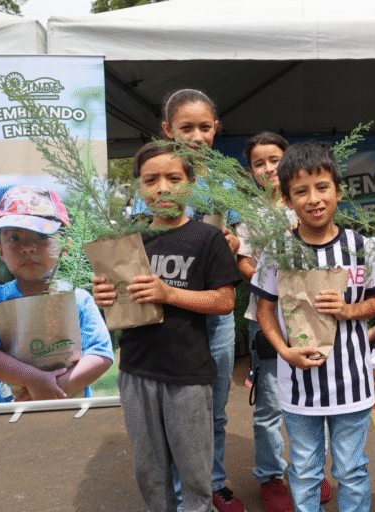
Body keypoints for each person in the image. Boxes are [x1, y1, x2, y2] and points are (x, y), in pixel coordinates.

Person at [92, 142, 243, 511]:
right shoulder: (128, 242)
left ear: (190, 183)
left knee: (194, 472)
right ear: (139, 189)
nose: (162, 188)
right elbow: (117, 312)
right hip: (136, 370)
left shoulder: (206, 237)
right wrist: (104, 297)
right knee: (149, 469)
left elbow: (224, 301)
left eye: (173, 178)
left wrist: (167, 292)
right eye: (151, 180)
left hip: (188, 374)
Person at [252, 141, 375, 512]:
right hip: (299, 391)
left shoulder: (363, 248)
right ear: (286, 197)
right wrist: (284, 352)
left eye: (322, 187)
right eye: (301, 191)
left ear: (339, 191)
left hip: (352, 385)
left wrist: (350, 309)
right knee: (307, 471)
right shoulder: (278, 251)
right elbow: (265, 311)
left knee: (351, 469)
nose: (313, 199)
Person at [160, 88, 246, 512]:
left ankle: (212, 482)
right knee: (178, 411)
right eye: (186, 127)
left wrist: (231, 243)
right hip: (169, 315)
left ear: (216, 129)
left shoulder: (227, 184)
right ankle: (182, 492)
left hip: (216, 312)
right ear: (167, 130)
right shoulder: (159, 178)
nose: (196, 136)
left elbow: (242, 245)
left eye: (205, 127)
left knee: (215, 408)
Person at [0, 186, 113, 403]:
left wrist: (56, 387)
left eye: (41, 236)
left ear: (65, 247)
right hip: (7, 416)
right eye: (14, 238)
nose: (28, 248)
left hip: (68, 411)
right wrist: (33, 380)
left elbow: (101, 354)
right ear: (0, 250)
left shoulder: (78, 299)